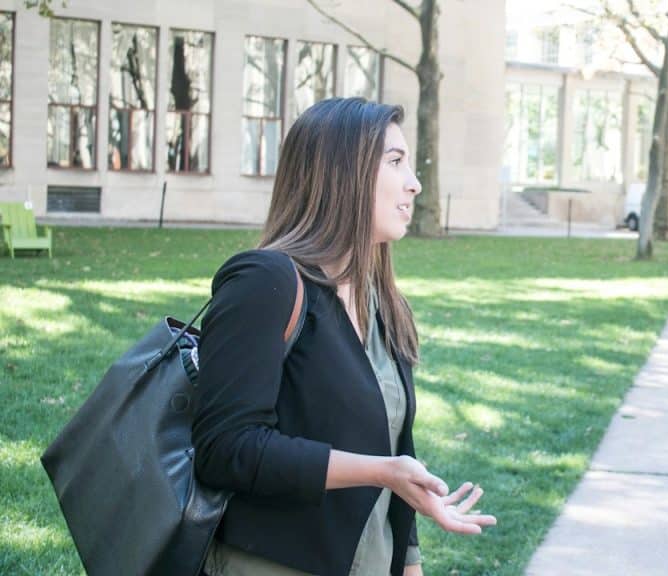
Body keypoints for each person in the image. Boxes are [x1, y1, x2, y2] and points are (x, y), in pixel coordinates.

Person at [192, 97, 496, 576]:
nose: (414, 183)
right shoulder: (265, 281)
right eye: (395, 162)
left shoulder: (382, 302)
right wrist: (380, 471)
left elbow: (397, 452)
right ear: (342, 172)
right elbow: (225, 448)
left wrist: (410, 563)